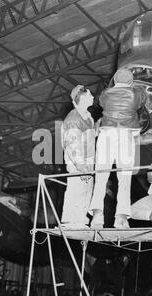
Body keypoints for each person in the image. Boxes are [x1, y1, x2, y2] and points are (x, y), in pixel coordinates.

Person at [89, 68, 147, 229]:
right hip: (126, 137)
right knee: (124, 179)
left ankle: (96, 216)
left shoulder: (105, 94)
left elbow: (101, 103)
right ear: (130, 82)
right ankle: (121, 218)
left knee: (100, 178)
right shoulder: (136, 94)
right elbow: (143, 97)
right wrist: (134, 85)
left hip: (106, 136)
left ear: (114, 80)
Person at [60, 85, 96, 229]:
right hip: (78, 163)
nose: (93, 97)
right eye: (90, 95)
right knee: (76, 189)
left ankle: (79, 220)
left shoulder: (88, 117)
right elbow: (72, 144)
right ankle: (70, 221)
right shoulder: (74, 118)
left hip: (88, 161)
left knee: (85, 191)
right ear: (81, 98)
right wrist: (80, 165)